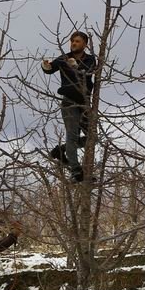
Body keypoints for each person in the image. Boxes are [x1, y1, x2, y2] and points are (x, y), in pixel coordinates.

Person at [42, 30, 97, 182]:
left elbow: (88, 72)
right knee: (72, 136)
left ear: (85, 44)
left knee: (93, 138)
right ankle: (76, 171)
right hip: (69, 102)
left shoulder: (90, 59)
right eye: (72, 41)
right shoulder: (64, 58)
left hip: (85, 103)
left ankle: (62, 150)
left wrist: (76, 67)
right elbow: (50, 69)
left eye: (77, 41)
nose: (74, 43)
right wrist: (45, 65)